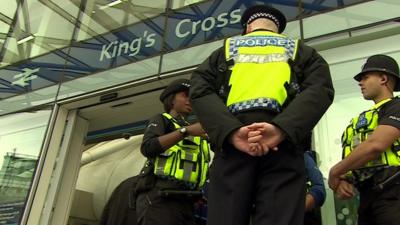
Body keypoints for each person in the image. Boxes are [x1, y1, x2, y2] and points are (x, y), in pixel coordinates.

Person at [189, 4, 334, 225]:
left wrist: (231, 131)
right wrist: (282, 128)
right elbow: (320, 88)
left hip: (233, 146)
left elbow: (199, 89)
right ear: (277, 30)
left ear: (248, 27)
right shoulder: (299, 50)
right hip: (282, 146)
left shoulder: (225, 50)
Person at [328, 54, 400, 225]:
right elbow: (358, 154)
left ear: (383, 78)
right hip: (368, 195)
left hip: (394, 192)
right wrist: (345, 179)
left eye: (365, 77)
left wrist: (335, 172)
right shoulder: (361, 120)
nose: (360, 83)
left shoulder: (396, 107)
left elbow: (375, 145)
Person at [135, 79, 211, 225]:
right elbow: (148, 147)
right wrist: (185, 131)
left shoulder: (197, 131)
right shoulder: (162, 119)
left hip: (186, 203)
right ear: (171, 99)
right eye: (185, 95)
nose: (190, 100)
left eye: (192, 97)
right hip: (160, 199)